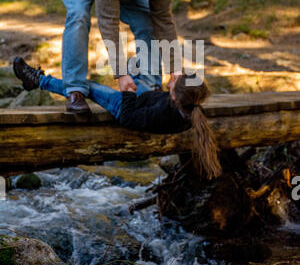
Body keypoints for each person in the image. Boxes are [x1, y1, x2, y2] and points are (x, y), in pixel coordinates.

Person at [13, 57, 222, 180]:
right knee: (140, 68)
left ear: (174, 96)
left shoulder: (161, 114)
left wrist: (128, 94)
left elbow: (128, 118)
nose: (173, 79)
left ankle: (38, 80)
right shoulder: (191, 107)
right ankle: (132, 73)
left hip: (125, 106)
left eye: (175, 82)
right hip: (147, 99)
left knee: (89, 86)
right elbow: (168, 95)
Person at [56, 0, 179, 114]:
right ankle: (75, 91)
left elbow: (164, 22)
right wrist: (121, 73)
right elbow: (108, 23)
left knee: (148, 22)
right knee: (79, 16)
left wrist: (175, 70)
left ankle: (151, 89)